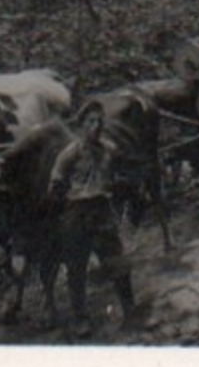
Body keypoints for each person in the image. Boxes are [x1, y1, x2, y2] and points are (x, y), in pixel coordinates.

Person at [49, 105, 137, 337]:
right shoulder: (69, 154)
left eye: (99, 122)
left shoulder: (110, 149)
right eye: (90, 122)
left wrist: (119, 185)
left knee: (117, 262)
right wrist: (65, 208)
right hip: (77, 212)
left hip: (102, 209)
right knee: (76, 268)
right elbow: (55, 184)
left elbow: (123, 172)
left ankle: (131, 311)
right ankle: (81, 319)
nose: (95, 127)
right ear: (81, 126)